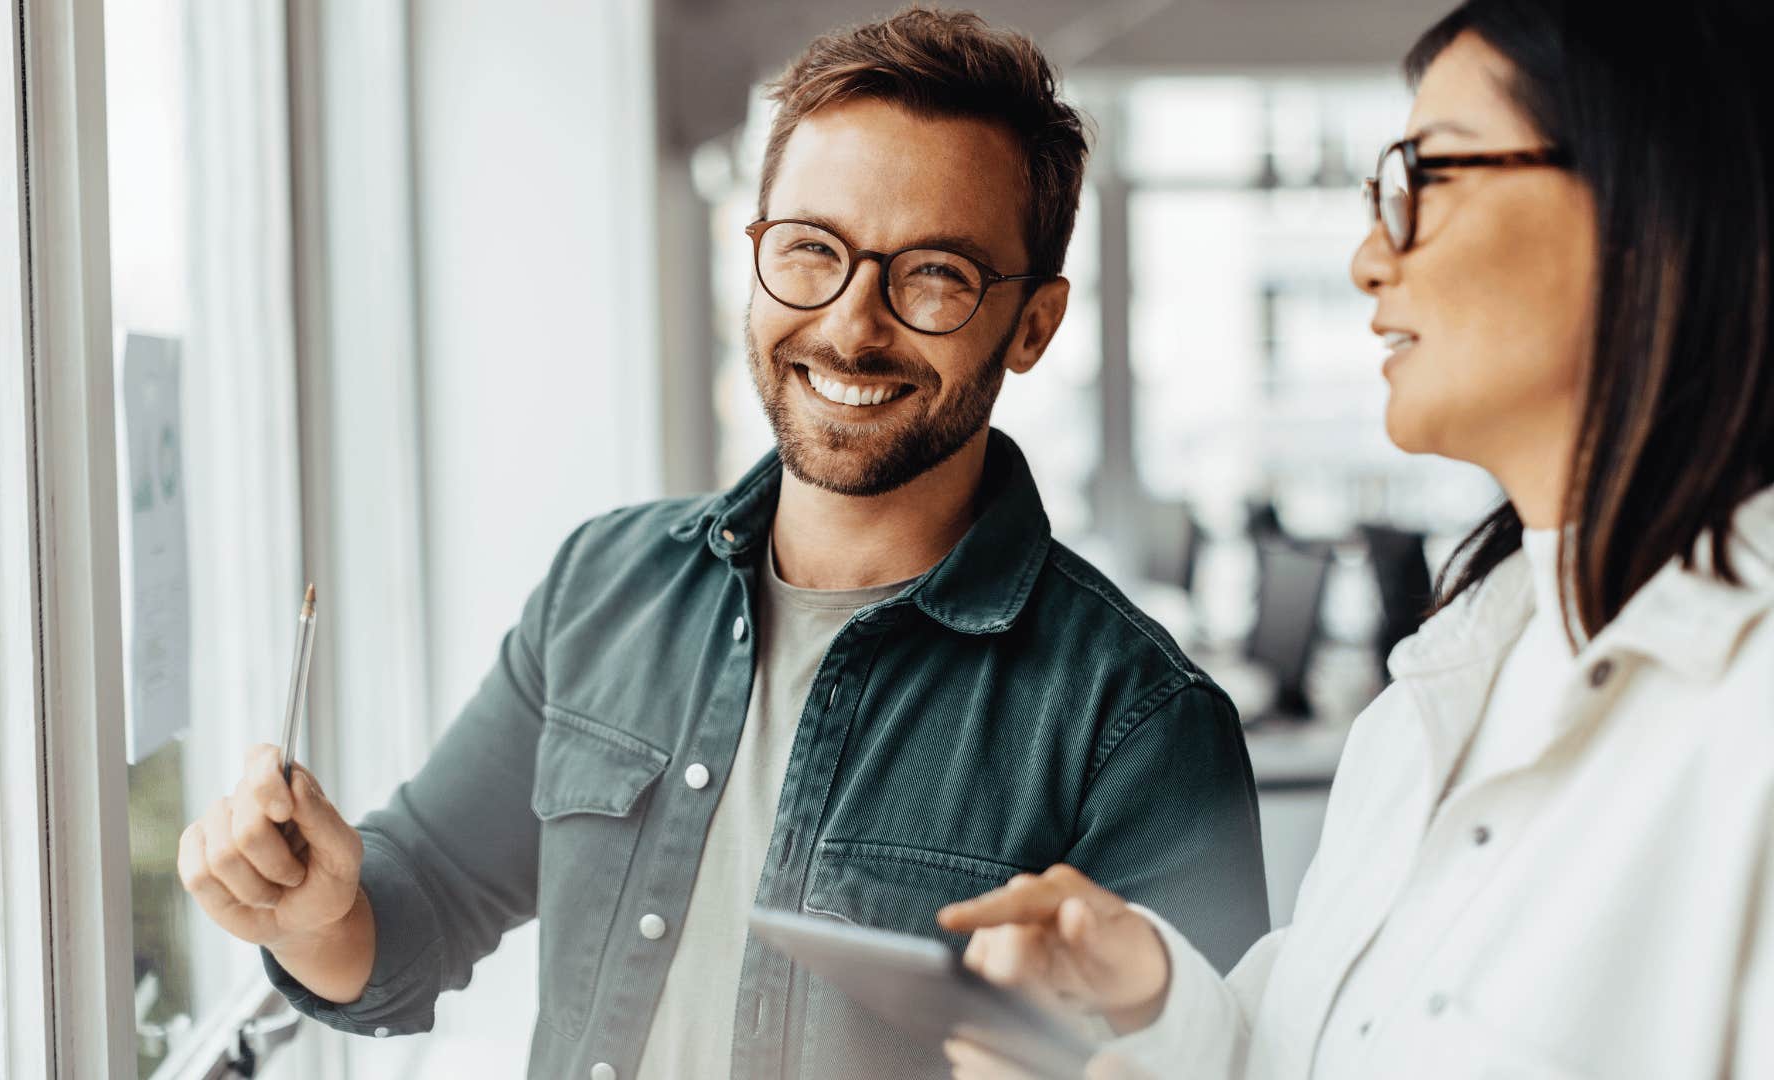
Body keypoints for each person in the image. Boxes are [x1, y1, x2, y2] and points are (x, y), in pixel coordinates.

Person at [176, 8, 1270, 1078]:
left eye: (933, 273)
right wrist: (313, 913)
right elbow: (416, 910)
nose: (850, 323)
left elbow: (1211, 1060)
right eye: (809, 250)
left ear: (1032, 323)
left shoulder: (1140, 727)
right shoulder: (602, 587)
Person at [937, 1, 1774, 1076]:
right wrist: (1148, 995)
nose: (1370, 261)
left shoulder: (1745, 712)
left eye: (1427, 181)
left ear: (1656, 196)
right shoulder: (1441, 689)